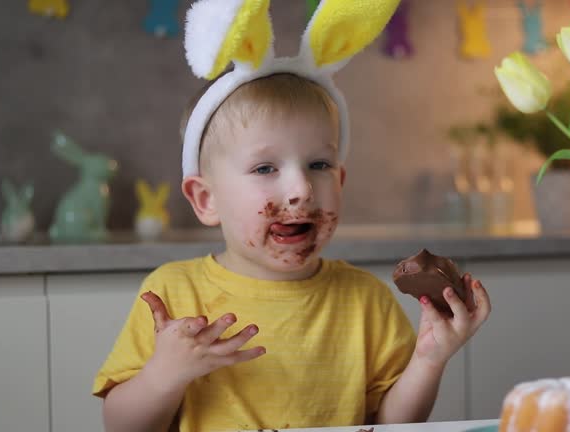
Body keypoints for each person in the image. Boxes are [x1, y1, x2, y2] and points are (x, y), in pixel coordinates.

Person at [92, 1, 490, 431]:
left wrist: (428, 360)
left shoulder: (365, 300)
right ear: (206, 200)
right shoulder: (172, 293)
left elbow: (390, 423)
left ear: (341, 179)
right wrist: (163, 375)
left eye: (319, 165)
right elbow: (121, 427)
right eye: (265, 168)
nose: (301, 190)